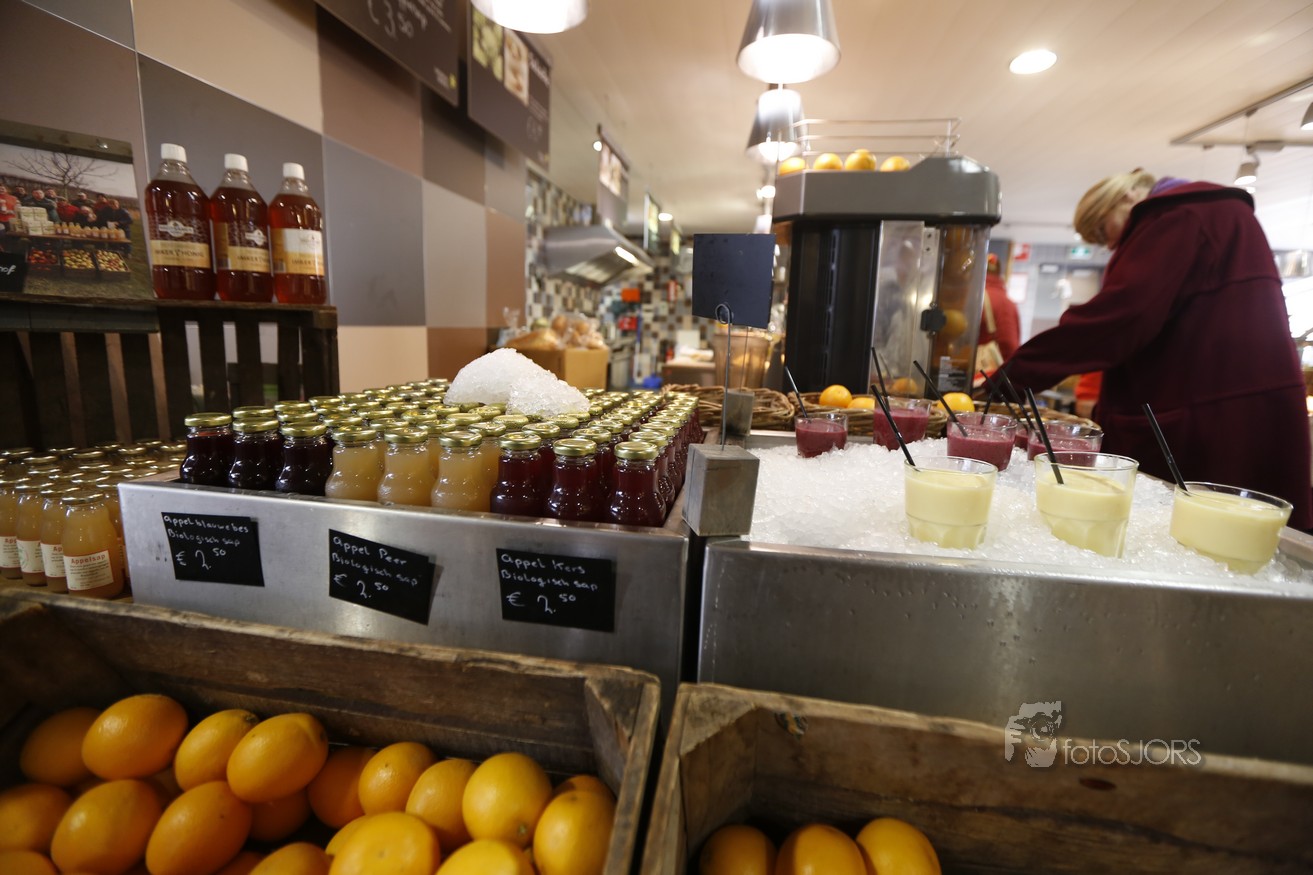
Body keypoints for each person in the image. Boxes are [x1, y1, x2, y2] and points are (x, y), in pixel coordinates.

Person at [1002, 168, 1312, 530]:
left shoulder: (1176, 218)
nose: (1111, 245)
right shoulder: (1215, 214)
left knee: (1199, 532)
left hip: (1206, 420)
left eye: (1103, 230)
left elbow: (1119, 319)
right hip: (1244, 409)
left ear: (1125, 198)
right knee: (1247, 533)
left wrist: (1011, 378)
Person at [979, 252, 1021, 361]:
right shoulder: (1007, 303)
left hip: (972, 363)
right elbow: (1009, 343)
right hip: (994, 368)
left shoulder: (974, 298)